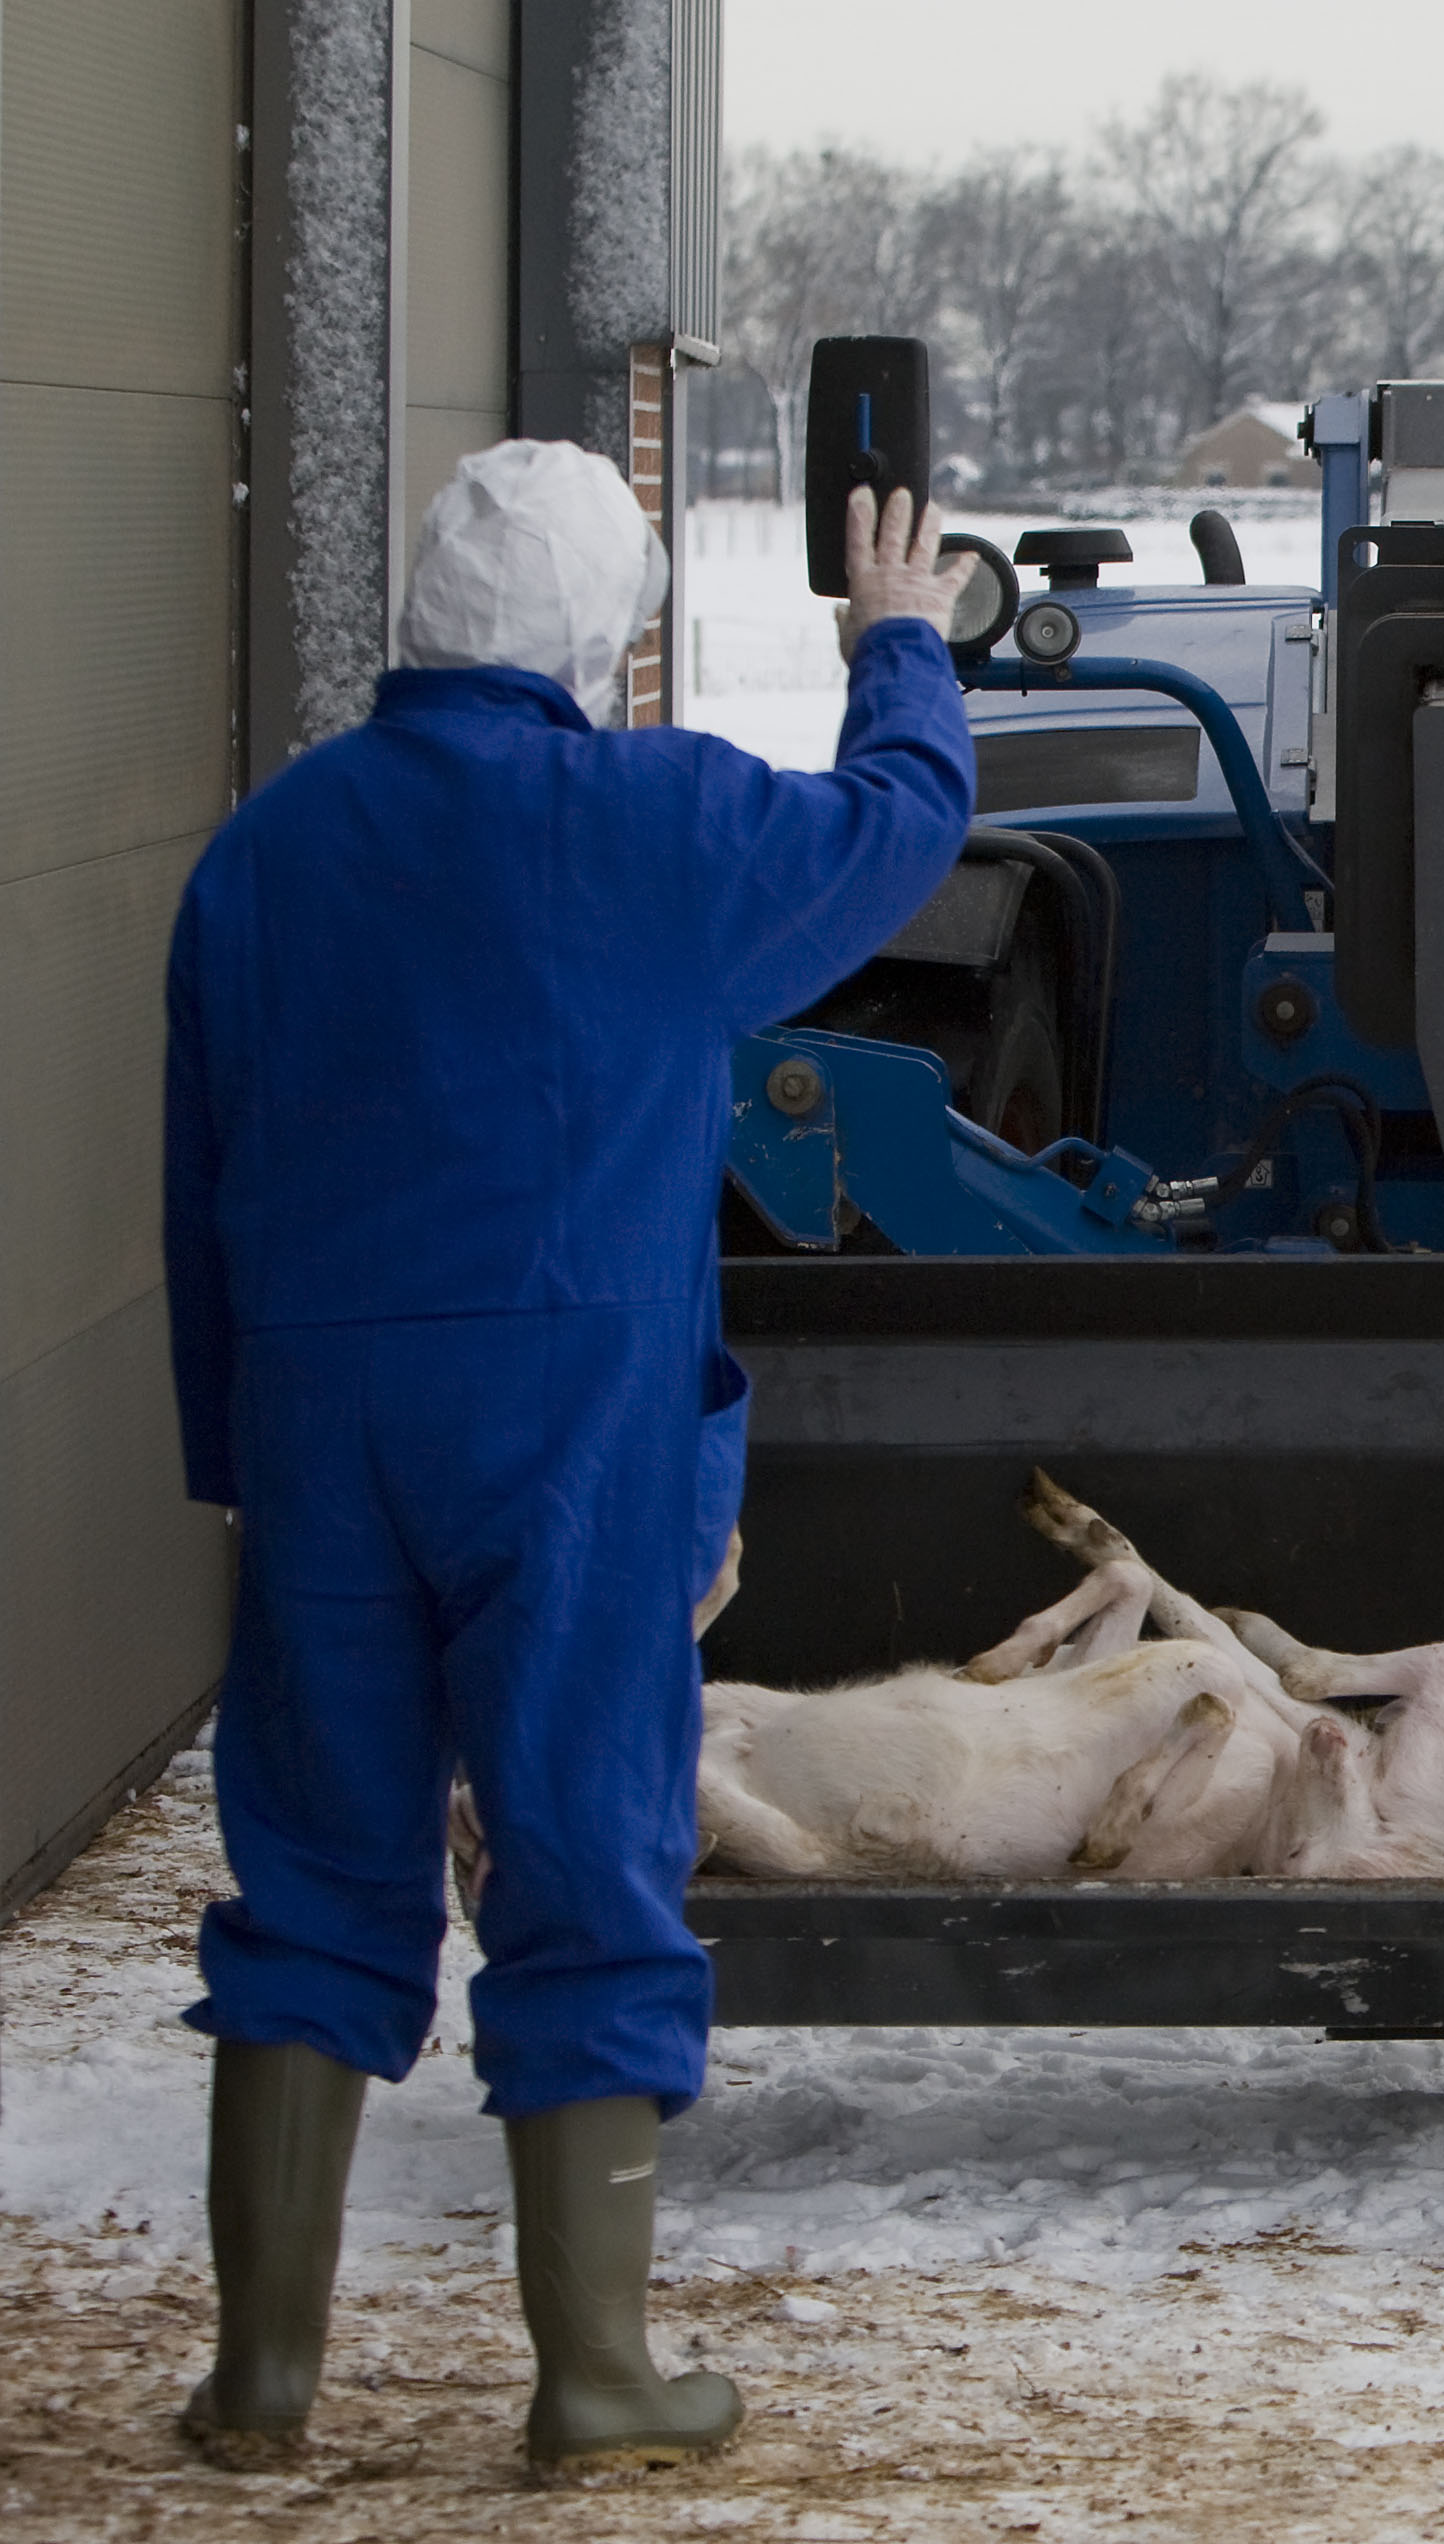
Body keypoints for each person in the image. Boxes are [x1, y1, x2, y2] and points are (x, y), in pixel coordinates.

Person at [161, 442, 978, 2472]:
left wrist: (234, 1452)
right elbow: (902, 832)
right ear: (602, 648)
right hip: (566, 1430)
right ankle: (594, 2378)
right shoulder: (650, 824)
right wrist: (899, 648)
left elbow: (198, 1183)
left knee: (315, 1873)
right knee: (585, 1860)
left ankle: (259, 2383)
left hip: (320, 1421)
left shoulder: (260, 856)